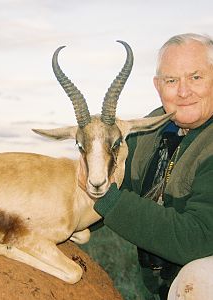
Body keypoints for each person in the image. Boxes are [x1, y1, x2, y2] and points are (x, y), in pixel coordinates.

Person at [92, 33, 213, 299]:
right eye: (171, 80)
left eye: (196, 77)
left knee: (200, 279)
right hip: (166, 285)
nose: (183, 91)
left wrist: (109, 200)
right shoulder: (147, 132)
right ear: (158, 86)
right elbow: (100, 185)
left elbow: (200, 238)